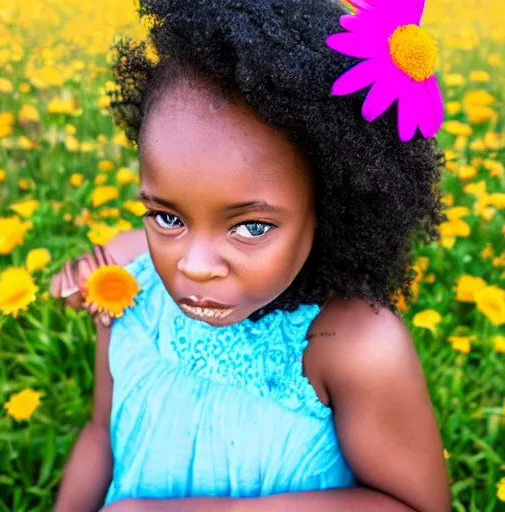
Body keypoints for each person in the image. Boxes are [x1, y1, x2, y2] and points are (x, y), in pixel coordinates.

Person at [51, 0, 452, 510]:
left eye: (251, 226)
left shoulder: (354, 346)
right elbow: (99, 432)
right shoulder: (128, 278)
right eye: (167, 217)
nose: (192, 265)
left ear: (329, 206)